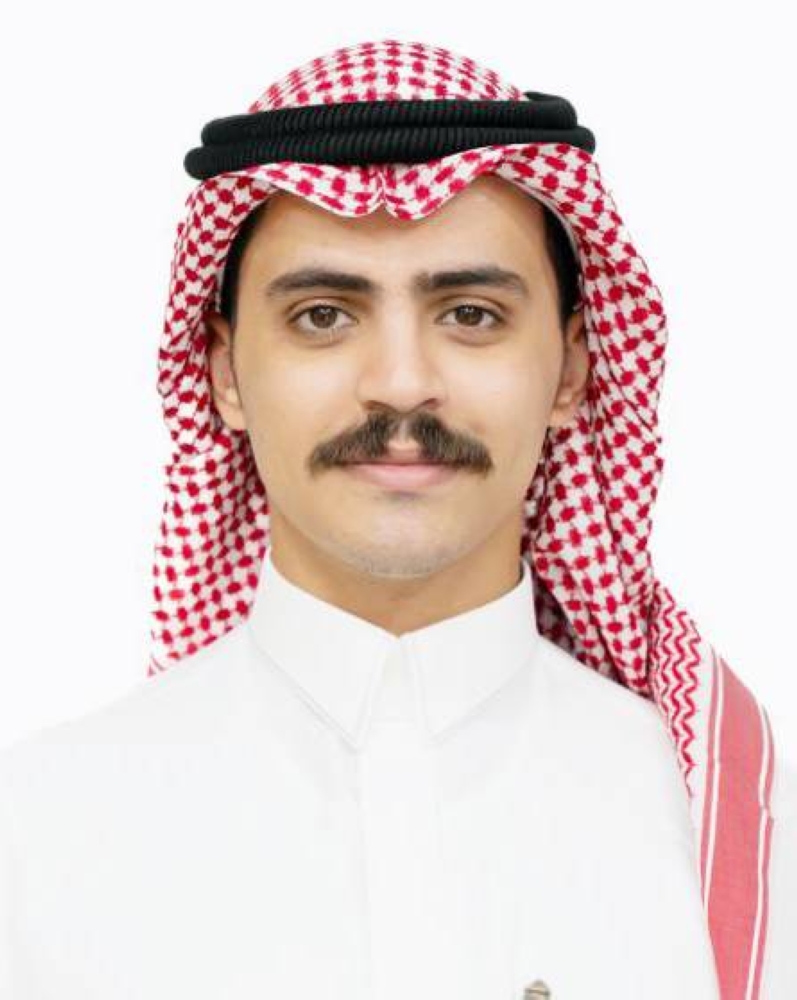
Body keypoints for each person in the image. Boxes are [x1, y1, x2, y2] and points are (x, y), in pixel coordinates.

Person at [0, 38, 794, 1000]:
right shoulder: (37, 837)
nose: (402, 382)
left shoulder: (737, 826)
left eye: (470, 314)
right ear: (223, 373)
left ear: (573, 370)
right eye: (323, 316)